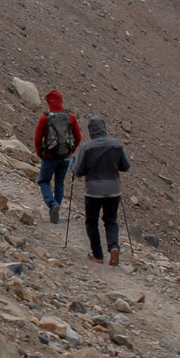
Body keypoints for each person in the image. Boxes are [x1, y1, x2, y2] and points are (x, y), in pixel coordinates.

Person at [68, 114, 129, 265]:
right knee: (111, 220)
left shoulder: (86, 147)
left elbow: (78, 171)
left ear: (91, 130)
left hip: (93, 190)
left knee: (91, 221)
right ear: (104, 128)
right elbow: (126, 166)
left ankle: (98, 255)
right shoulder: (116, 145)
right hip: (113, 189)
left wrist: (72, 164)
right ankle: (114, 247)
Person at [33, 90, 82, 223]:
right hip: (65, 156)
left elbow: (38, 138)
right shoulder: (70, 117)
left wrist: (40, 154)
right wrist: (70, 151)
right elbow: (78, 137)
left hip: (49, 156)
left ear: (49, 102)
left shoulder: (45, 117)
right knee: (59, 183)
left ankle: (52, 204)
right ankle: (55, 213)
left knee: (44, 181)